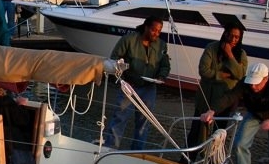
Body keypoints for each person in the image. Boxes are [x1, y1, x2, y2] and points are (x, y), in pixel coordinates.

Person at [200, 63, 269, 164]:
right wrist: (212, 111)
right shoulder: (245, 83)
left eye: (256, 83)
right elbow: (230, 96)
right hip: (254, 113)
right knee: (240, 143)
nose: (253, 86)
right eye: (251, 83)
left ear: (266, 79)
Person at [103, 16, 171, 150]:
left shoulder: (161, 45)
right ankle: (110, 147)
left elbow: (165, 65)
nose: (156, 34)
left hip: (149, 88)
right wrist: (123, 75)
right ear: (146, 27)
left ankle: (137, 152)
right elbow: (115, 59)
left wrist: (162, 76)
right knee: (120, 118)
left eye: (159, 31)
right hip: (129, 85)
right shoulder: (128, 40)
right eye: (153, 30)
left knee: (144, 122)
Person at [186, 22, 248, 154]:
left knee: (218, 134)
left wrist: (230, 55)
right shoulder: (211, 48)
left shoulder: (241, 54)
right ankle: (186, 161)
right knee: (196, 132)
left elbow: (240, 74)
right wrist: (223, 75)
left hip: (224, 101)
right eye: (230, 35)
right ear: (225, 34)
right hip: (205, 97)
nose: (233, 39)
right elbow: (203, 71)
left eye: (236, 37)